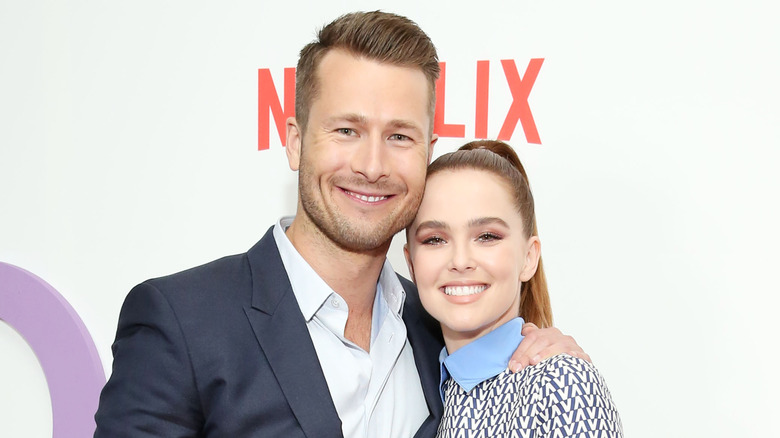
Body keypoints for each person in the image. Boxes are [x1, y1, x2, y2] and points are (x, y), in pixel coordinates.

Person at [94, 12, 588, 438]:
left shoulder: (441, 325)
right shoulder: (182, 322)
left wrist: (557, 365)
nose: (372, 165)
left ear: (427, 151)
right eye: (347, 130)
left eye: (399, 135)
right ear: (294, 140)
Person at [404, 140, 623, 438]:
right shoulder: (417, 380)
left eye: (487, 236)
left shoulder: (561, 385)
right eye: (435, 239)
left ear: (529, 257)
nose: (460, 261)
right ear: (411, 263)